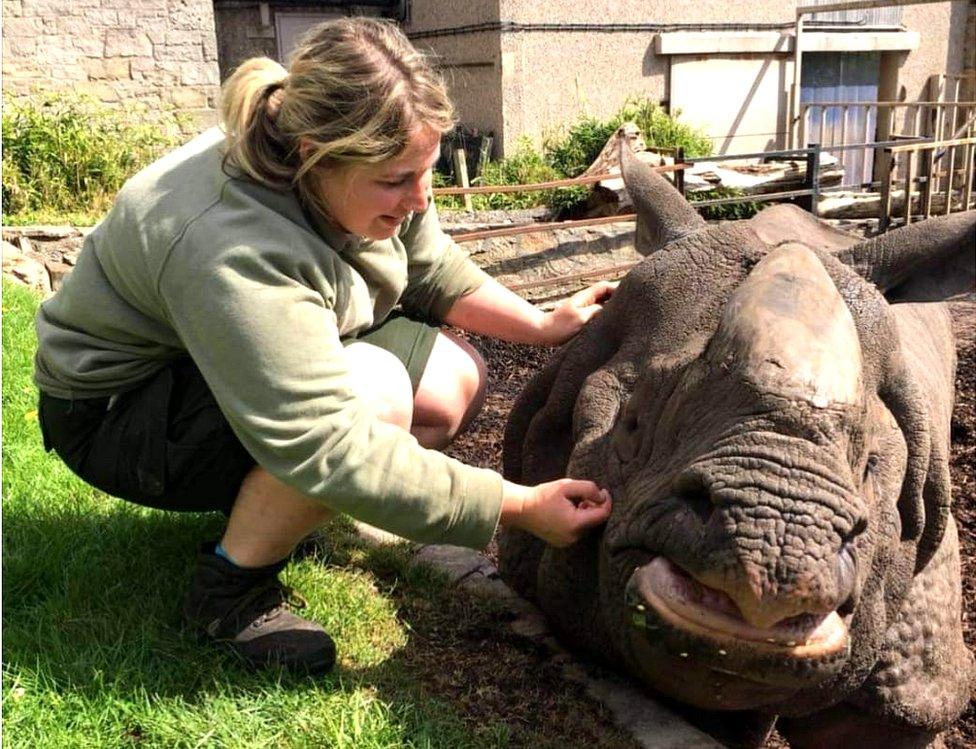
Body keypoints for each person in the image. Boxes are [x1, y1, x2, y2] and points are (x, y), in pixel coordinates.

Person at [34, 17, 613, 675]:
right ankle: (229, 589)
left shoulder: (346, 165)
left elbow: (429, 265)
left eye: (425, 171)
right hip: (119, 412)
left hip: (208, 357)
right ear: (315, 151)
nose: (421, 198)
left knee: (453, 381)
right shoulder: (233, 242)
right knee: (376, 397)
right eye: (399, 180)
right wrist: (517, 506)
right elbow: (330, 444)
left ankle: (272, 506)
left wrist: (541, 324)